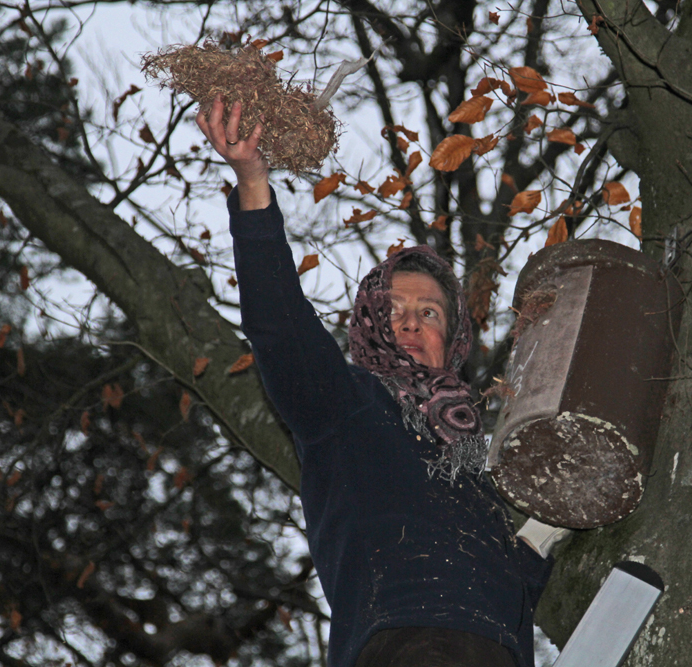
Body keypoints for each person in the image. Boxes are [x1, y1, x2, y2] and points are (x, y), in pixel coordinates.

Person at [198, 96, 564, 667]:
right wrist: (252, 185)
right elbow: (280, 329)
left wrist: (540, 537)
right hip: (400, 641)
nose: (412, 321)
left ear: (456, 341)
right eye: (393, 310)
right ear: (368, 326)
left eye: (431, 313)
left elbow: (506, 576)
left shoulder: (479, 454)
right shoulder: (346, 406)